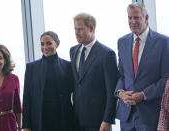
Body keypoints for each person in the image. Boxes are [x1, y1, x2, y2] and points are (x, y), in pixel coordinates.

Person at [115, 2, 169, 131]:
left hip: (150, 115)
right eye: (130, 18)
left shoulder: (163, 42)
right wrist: (120, 93)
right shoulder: (122, 42)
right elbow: (121, 75)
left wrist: (143, 95)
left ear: (146, 18)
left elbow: (166, 79)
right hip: (127, 116)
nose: (133, 21)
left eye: (136, 17)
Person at [70, 13, 118, 131]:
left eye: (80, 29)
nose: (76, 32)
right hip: (76, 119)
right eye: (75, 29)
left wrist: (107, 120)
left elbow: (112, 91)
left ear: (91, 28)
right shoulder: (73, 50)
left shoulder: (107, 54)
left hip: (98, 121)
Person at [22, 31, 74, 131]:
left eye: (49, 43)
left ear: (57, 44)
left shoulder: (68, 66)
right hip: (40, 119)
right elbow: (27, 98)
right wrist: (26, 126)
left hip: (63, 119)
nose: (45, 47)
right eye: (42, 44)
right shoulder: (31, 67)